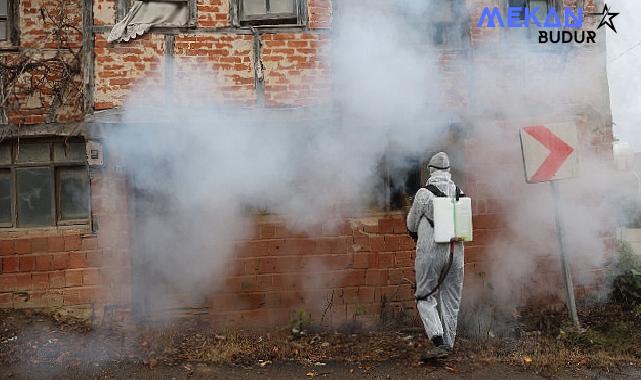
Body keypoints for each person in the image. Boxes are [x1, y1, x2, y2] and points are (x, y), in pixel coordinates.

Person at [406, 152, 465, 360]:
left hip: (430, 253)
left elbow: (411, 224)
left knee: (424, 296)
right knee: (451, 299)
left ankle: (438, 341)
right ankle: (448, 344)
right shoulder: (459, 192)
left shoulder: (424, 193)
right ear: (448, 170)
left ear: (430, 170)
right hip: (456, 255)